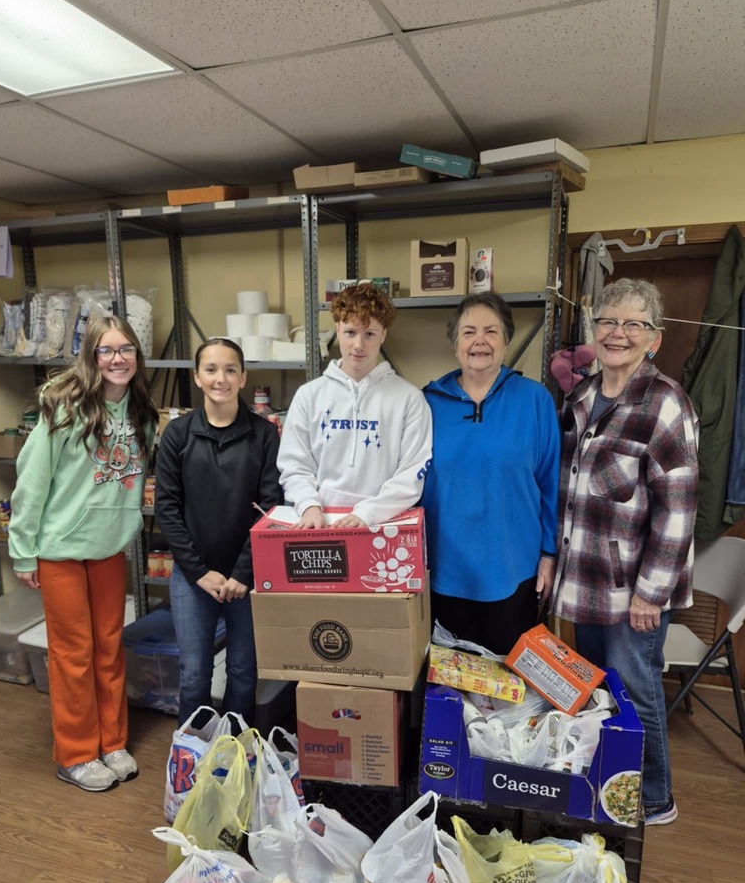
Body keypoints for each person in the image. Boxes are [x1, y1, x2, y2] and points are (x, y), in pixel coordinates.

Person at [550, 278, 698, 826]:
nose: (619, 333)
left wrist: (650, 594)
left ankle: (655, 797)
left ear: (653, 339)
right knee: (596, 687)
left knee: (634, 687)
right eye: (609, 321)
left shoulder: (665, 404)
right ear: (594, 333)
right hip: (585, 578)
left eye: (633, 323)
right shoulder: (582, 396)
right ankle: (608, 782)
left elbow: (678, 511)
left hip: (634, 590)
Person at [9, 314, 157, 792]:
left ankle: (111, 743)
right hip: (59, 551)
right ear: (91, 357)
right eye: (106, 351)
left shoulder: (140, 413)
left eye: (126, 349)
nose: (118, 359)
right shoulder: (65, 409)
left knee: (110, 648)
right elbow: (31, 484)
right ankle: (75, 755)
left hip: (109, 549)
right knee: (73, 654)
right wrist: (24, 552)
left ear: (137, 355)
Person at [420, 293, 560, 655]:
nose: (479, 340)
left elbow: (549, 482)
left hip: (514, 569)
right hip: (443, 568)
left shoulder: (535, 400)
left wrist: (549, 553)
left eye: (491, 331)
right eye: (468, 332)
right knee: (451, 688)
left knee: (509, 685)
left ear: (505, 341)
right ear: (455, 344)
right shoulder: (426, 404)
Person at [155, 337, 282, 727]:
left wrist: (242, 574)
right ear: (197, 377)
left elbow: (271, 508)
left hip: (246, 577)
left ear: (243, 378)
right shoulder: (177, 434)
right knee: (195, 674)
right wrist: (197, 571)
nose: (220, 378)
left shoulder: (263, 434)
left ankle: (234, 756)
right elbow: (167, 508)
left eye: (230, 370)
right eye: (211, 369)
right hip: (194, 577)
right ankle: (192, 759)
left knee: (243, 672)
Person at [277, 282, 432, 528]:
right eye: (350, 332)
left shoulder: (410, 399)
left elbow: (412, 471)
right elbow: (294, 464)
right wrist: (308, 505)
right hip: (318, 523)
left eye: (369, 333)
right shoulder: (308, 395)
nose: (358, 345)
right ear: (337, 330)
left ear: (383, 334)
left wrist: (368, 513)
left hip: (380, 524)